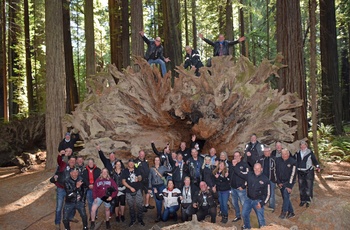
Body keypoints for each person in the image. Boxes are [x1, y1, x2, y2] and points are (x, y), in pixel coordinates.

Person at [232, 162, 270, 229]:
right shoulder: (249, 174)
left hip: (258, 201)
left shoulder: (265, 179)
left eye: (258, 168)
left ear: (261, 169)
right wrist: (235, 166)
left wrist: (262, 203)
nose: (256, 170)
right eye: (255, 168)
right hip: (248, 199)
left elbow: (268, 194)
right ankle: (247, 227)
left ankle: (263, 228)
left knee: (260, 219)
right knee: (244, 214)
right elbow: (240, 173)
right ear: (253, 168)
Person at [53, 152, 76, 230]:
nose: (72, 162)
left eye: (74, 161)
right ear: (68, 161)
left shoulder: (75, 170)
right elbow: (59, 161)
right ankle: (57, 223)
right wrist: (60, 154)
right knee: (59, 207)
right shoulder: (63, 165)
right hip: (61, 188)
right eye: (71, 160)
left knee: (70, 205)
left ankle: (70, 217)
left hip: (69, 190)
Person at [295, 140, 321, 208]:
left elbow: (315, 161)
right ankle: (303, 200)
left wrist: (318, 167)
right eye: (301, 145)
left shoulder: (310, 152)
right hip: (300, 172)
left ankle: (308, 200)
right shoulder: (297, 153)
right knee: (301, 187)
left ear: (306, 145)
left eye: (304, 144)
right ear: (300, 146)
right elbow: (293, 160)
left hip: (308, 171)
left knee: (308, 187)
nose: (302, 146)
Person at [148, 156, 172, 222]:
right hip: (154, 187)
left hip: (162, 186)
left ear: (160, 161)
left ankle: (165, 214)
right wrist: (150, 187)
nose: (157, 161)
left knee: (164, 200)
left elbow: (170, 171)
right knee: (158, 201)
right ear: (154, 161)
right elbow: (150, 178)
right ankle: (159, 215)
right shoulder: (152, 169)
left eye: (158, 160)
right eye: (155, 160)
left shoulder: (163, 168)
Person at [121, 159, 145, 227]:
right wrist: (130, 188)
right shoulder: (125, 171)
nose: (131, 164)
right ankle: (133, 220)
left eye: (132, 163)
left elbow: (140, 177)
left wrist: (138, 178)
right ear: (128, 163)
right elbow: (123, 181)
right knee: (131, 206)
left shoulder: (137, 169)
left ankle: (140, 220)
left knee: (140, 205)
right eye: (130, 163)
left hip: (138, 190)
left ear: (134, 164)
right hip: (129, 191)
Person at [276, 148, 297, 219]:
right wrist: (278, 182)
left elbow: (293, 174)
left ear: (288, 154)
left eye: (285, 154)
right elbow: (276, 172)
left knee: (285, 195)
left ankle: (284, 212)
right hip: (281, 182)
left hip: (288, 182)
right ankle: (291, 212)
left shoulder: (293, 161)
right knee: (286, 197)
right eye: (282, 154)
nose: (283, 155)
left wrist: (289, 186)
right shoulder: (278, 160)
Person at [229, 151, 249, 223]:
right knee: (235, 203)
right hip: (233, 188)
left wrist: (243, 186)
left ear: (240, 156)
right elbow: (230, 175)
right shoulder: (232, 164)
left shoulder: (244, 165)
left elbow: (247, 177)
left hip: (241, 189)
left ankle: (246, 218)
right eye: (234, 156)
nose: (236, 157)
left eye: (237, 156)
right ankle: (238, 216)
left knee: (244, 204)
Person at [258, 146, 277, 212]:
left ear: (270, 151)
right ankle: (262, 205)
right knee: (262, 193)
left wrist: (276, 179)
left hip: (271, 179)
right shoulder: (260, 159)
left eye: (267, 151)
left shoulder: (274, 159)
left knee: (271, 194)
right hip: (262, 180)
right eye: (265, 151)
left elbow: (277, 170)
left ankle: (272, 207)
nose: (266, 152)